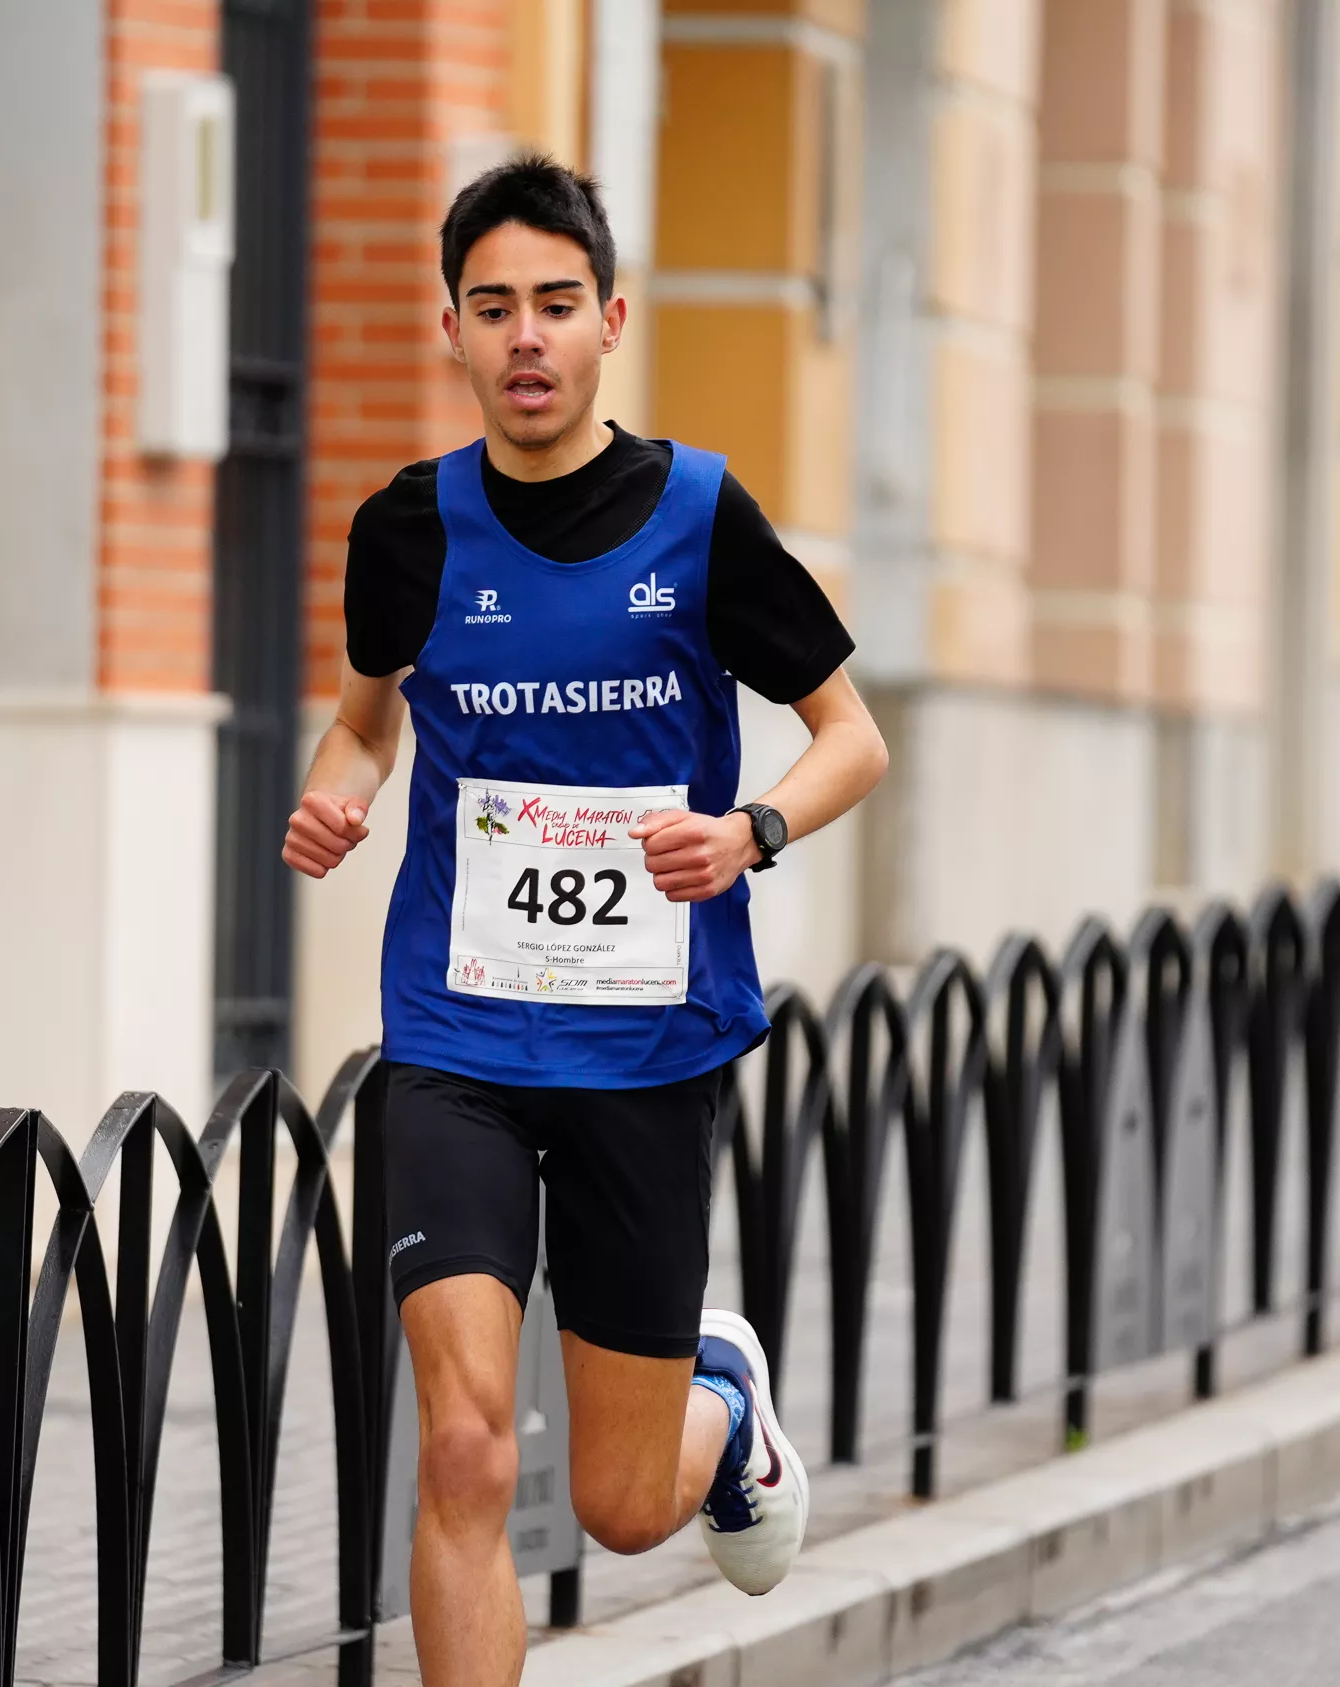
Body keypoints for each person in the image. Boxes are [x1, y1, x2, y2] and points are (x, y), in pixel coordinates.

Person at [284, 158, 888, 1686]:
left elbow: (852, 736)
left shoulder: (697, 515)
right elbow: (366, 724)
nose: (526, 337)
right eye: (494, 308)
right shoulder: (409, 529)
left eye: (556, 303)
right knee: (470, 1444)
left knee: (621, 1507)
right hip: (457, 1034)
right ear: (453, 331)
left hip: (644, 1040)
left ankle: (726, 1400)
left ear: (611, 318)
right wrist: (334, 793)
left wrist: (749, 829)